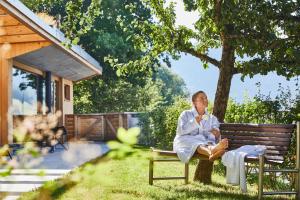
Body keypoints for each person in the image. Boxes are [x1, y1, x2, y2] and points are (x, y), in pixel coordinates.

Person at [173, 91, 228, 163]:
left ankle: (211, 153)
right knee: (196, 141)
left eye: (206, 98)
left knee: (202, 142)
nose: (205, 100)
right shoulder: (186, 114)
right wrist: (194, 122)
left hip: (204, 143)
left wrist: (216, 133)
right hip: (184, 142)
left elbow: (215, 133)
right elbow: (180, 131)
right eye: (202, 98)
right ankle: (212, 151)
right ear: (194, 102)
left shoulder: (212, 118)